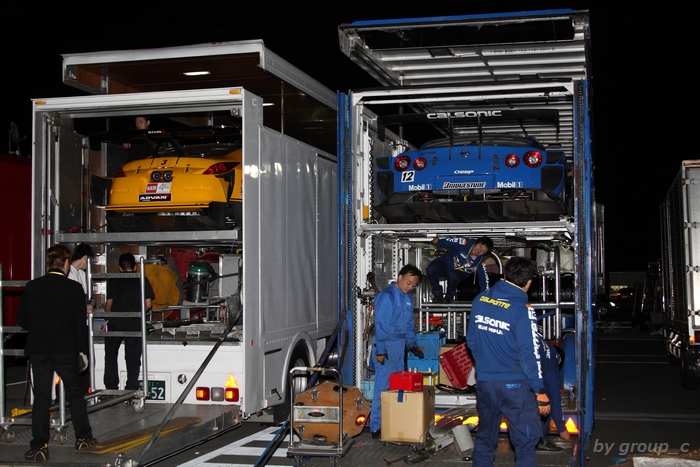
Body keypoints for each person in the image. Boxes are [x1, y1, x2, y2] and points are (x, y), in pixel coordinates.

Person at [466, 256, 550, 467]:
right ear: (528, 282)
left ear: (504, 275)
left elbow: (471, 341)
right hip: (514, 384)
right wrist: (539, 390)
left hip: (485, 382)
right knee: (526, 441)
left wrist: (485, 364)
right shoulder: (523, 309)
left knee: (486, 438)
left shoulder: (481, 300)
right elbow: (529, 352)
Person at [17, 244, 97, 462]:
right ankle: (83, 437)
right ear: (65, 262)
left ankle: (39, 445)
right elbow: (79, 325)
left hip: (39, 350)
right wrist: (83, 352)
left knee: (42, 398)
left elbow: (22, 320)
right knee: (74, 394)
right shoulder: (73, 288)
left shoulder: (32, 287)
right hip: (65, 350)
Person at [369, 264, 425, 439]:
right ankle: (376, 426)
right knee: (382, 387)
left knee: (397, 388)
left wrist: (413, 344)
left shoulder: (407, 298)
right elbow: (381, 325)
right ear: (400, 277)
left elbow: (409, 325)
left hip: (399, 347)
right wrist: (381, 350)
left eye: (413, 286)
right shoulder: (386, 296)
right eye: (408, 283)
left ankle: (392, 423)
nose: (410, 287)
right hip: (386, 347)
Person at [104, 253, 155, 392]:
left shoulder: (113, 280)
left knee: (110, 355)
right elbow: (148, 304)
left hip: (115, 323)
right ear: (136, 267)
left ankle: (111, 388)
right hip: (134, 323)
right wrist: (138, 313)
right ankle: (131, 389)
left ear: (120, 268)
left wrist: (109, 316)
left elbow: (108, 304)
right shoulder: (142, 279)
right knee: (132, 357)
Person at [426, 236, 493, 303]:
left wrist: (485, 297)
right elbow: (450, 241)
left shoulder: (480, 262)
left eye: (483, 251)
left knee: (453, 275)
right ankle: (438, 295)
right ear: (476, 243)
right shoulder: (464, 242)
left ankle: (448, 298)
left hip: (460, 273)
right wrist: (438, 241)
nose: (479, 250)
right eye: (480, 246)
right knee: (431, 269)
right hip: (447, 262)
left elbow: (484, 280)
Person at [537, 335, 569, 451]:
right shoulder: (553, 357)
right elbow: (554, 393)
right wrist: (561, 428)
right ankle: (541, 440)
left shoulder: (544, 345)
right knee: (546, 398)